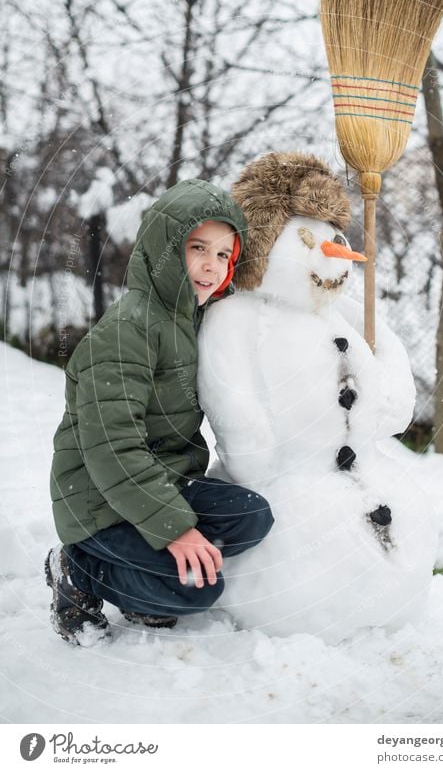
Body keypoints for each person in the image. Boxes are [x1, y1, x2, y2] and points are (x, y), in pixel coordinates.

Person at [45, 179, 274, 645]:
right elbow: (112, 447)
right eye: (197, 248)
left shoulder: (189, 319)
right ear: (164, 247)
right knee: (191, 593)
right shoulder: (127, 329)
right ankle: (78, 567)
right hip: (97, 500)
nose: (212, 266)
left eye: (224, 255)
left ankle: (141, 579)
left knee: (251, 516)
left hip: (162, 478)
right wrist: (175, 530)